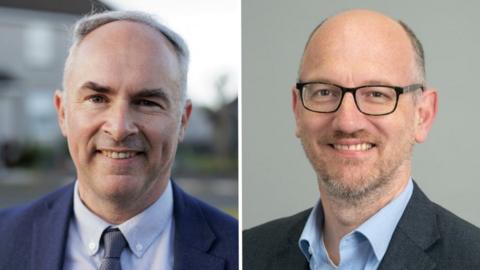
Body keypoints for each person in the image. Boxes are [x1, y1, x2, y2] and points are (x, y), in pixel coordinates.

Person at [244, 9, 480, 270]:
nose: (347, 121)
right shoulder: (248, 252)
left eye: (377, 94)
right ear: (297, 110)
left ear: (422, 116)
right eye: (324, 92)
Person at [0, 10, 237, 270]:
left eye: (147, 102)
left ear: (182, 120)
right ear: (63, 113)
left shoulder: (238, 250)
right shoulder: (6, 238)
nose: (120, 128)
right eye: (97, 99)